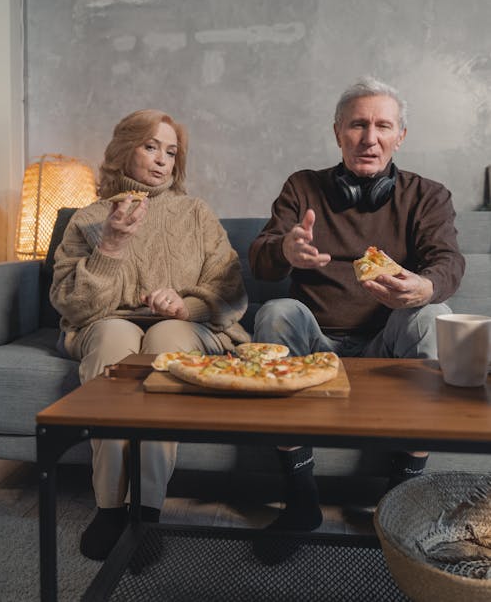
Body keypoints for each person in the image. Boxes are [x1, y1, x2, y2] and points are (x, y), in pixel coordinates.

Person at [248, 76, 465, 534]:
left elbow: (447, 261)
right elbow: (262, 259)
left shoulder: (428, 195)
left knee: (434, 316)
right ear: (337, 132)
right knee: (274, 312)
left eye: (383, 126)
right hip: (314, 343)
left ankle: (398, 497)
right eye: (357, 125)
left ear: (400, 136)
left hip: (386, 346)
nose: (370, 138)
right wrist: (285, 251)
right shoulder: (302, 187)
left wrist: (425, 287)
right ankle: (300, 496)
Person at [50, 109, 250, 560]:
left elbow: (230, 287)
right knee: (113, 342)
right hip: (107, 322)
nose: (162, 160)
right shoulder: (87, 218)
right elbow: (70, 304)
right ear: (125, 150)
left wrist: (187, 305)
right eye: (150, 146)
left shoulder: (196, 212)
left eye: (171, 151)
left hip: (184, 326)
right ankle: (109, 509)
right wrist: (111, 247)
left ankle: (147, 510)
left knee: (166, 345)